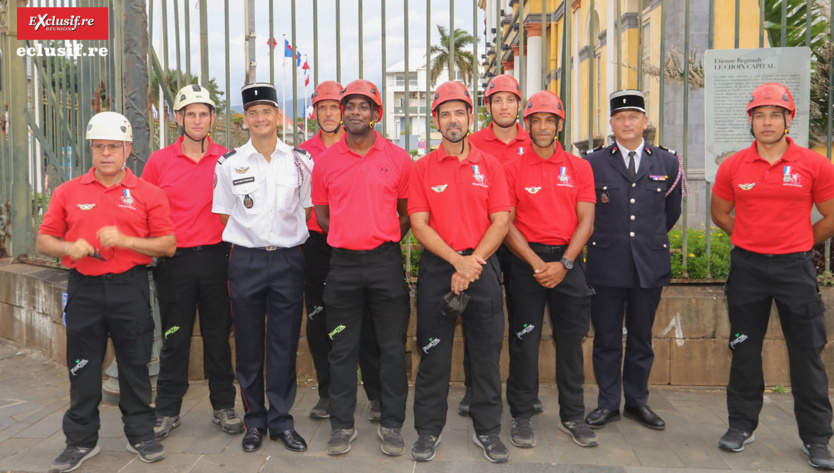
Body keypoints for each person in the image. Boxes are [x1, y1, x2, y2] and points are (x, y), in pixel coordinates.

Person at [39, 111, 175, 472]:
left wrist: (126, 240)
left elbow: (168, 245)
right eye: (99, 146)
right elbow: (44, 239)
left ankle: (142, 434)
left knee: (134, 365)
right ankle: (80, 441)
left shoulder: (148, 193)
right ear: (91, 149)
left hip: (129, 288)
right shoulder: (67, 192)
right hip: (84, 289)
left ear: (128, 149)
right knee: (82, 366)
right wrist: (69, 248)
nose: (106, 153)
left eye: (114, 146)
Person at [711, 82, 834, 470]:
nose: (766, 122)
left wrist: (799, 243)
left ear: (788, 119)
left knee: (807, 355)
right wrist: (749, 239)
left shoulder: (814, 164)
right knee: (744, 349)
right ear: (750, 120)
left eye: (774, 115)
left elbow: (831, 215)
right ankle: (740, 426)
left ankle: (816, 438)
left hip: (795, 269)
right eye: (759, 115)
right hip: (748, 269)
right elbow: (720, 213)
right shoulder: (733, 165)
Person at [409, 81, 511, 463]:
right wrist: (457, 262)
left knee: (485, 356)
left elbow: (501, 221)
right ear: (436, 119)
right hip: (440, 267)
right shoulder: (422, 169)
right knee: (432, 355)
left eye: (459, 112)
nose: (453, 120)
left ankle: (488, 432)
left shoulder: (491, 166)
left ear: (471, 116)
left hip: (482, 266)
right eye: (445, 113)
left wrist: (471, 265)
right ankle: (427, 432)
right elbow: (419, 224)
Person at [311, 79, 412, 457]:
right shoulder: (326, 162)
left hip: (385, 264)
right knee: (342, 347)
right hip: (343, 267)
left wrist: (381, 237)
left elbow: (405, 215)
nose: (354, 112)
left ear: (375, 114)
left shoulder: (398, 158)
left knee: (390, 346)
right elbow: (322, 216)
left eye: (362, 106)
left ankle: (392, 425)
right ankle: (341, 425)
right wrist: (350, 236)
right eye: (348, 105)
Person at [212, 82, 311, 454]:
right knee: (250, 344)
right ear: (245, 119)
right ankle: (254, 420)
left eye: (266, 110)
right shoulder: (230, 163)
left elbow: (306, 206)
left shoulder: (301, 161)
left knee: (284, 344)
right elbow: (223, 211)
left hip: (287, 259)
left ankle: (282, 421)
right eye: (253, 113)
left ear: (276, 115)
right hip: (247, 260)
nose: (260, 118)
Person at [143, 84, 242, 441]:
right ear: (178, 118)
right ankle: (167, 410)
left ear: (212, 119)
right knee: (175, 338)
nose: (197, 120)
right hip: (175, 262)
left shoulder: (228, 160)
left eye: (203, 114)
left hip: (218, 259)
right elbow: (144, 208)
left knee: (218, 337)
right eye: (190, 114)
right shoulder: (159, 162)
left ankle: (223, 406)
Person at [584, 90, 684, 432]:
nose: (627, 123)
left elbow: (670, 214)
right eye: (620, 118)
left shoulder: (668, 162)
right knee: (606, 338)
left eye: (633, 117)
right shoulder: (592, 163)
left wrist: (645, 242)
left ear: (645, 122)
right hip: (606, 265)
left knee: (642, 337)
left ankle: (637, 402)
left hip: (648, 265)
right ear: (611, 124)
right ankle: (608, 403)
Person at [503, 90, 596, 449]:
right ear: (526, 125)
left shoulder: (579, 167)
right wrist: (537, 263)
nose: (542, 127)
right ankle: (521, 415)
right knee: (524, 341)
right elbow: (506, 223)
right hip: (527, 265)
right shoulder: (511, 169)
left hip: (569, 263)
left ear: (559, 124)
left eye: (549, 120)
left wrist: (565, 263)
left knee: (571, 343)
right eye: (536, 120)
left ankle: (573, 416)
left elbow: (586, 221)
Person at [299, 80, 383, 422]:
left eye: (336, 106)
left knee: (367, 323)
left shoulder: (366, 146)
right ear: (315, 112)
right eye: (323, 107)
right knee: (319, 322)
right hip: (318, 246)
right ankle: (328, 395)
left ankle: (376, 394)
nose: (330, 113)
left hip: (357, 246)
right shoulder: (302, 154)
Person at [466, 74, 541, 416]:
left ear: (519, 105)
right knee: (478, 319)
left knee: (525, 322)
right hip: (488, 243)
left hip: (525, 244)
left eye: (510, 99)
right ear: (488, 106)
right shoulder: (474, 142)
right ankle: (473, 389)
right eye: (497, 100)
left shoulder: (536, 139)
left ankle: (525, 390)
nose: (504, 106)